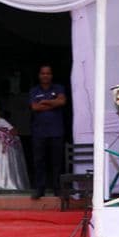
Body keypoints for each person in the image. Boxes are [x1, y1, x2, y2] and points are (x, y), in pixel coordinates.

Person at [29, 65, 66, 199]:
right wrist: (53, 103)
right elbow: (34, 106)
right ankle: (40, 189)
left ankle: (57, 188)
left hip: (56, 131)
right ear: (39, 75)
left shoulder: (58, 88)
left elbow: (62, 101)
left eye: (48, 73)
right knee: (39, 162)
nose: (45, 76)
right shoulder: (34, 90)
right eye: (43, 73)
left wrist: (44, 102)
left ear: (51, 75)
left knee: (56, 162)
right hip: (39, 132)